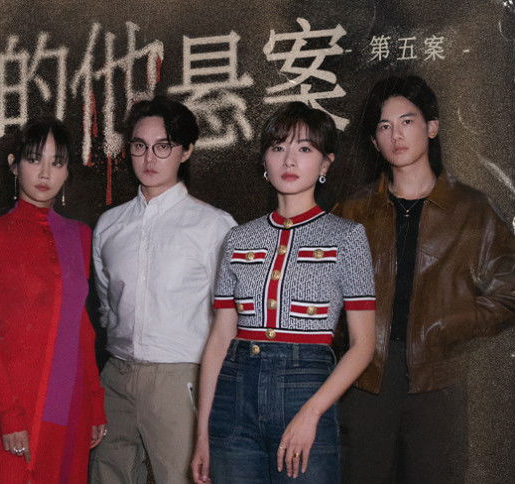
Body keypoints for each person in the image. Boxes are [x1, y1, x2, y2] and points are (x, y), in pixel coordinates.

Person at [334, 75, 515, 484]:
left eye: (407, 121)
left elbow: (510, 289)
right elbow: (323, 292)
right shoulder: (353, 210)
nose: (396, 135)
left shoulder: (471, 209)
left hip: (438, 379)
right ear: (374, 141)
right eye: (384, 126)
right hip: (364, 377)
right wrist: (344, 338)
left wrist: (450, 324)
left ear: (432, 127)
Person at [191, 102, 376, 484]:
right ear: (264, 160)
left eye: (304, 148)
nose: (289, 160)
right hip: (233, 393)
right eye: (278, 148)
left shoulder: (347, 237)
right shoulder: (238, 239)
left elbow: (363, 346)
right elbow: (220, 338)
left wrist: (312, 412)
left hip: (306, 387)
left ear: (326, 163)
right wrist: (203, 434)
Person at [90, 96, 237, 483]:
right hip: (116, 376)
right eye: (139, 146)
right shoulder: (109, 226)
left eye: (163, 146)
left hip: (180, 377)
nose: (149, 158)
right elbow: (107, 306)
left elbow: (229, 319)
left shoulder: (213, 226)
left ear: (186, 151)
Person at [0, 118, 107, 483]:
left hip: (70, 399)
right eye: (34, 159)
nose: (45, 173)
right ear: (14, 164)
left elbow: (81, 327)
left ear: (67, 171)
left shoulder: (79, 236)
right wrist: (8, 414)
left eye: (57, 162)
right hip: (14, 402)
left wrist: (95, 403)